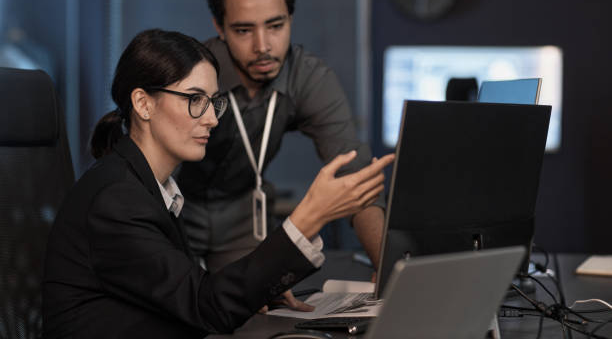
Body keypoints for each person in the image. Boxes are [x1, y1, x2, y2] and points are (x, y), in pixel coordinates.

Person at [42, 29, 394, 338]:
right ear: (143, 103)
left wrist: (258, 290)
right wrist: (311, 215)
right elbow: (206, 306)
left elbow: (185, 293)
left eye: (214, 102)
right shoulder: (117, 199)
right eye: (195, 100)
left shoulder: (150, 188)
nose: (211, 118)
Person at [177, 0, 386, 290]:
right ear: (219, 28)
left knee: (261, 308)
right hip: (175, 211)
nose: (263, 46)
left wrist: (388, 267)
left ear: (290, 16)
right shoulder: (191, 73)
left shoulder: (309, 77)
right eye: (244, 30)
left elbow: (356, 179)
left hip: (244, 213)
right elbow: (148, 177)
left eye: (275, 26)